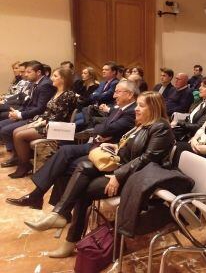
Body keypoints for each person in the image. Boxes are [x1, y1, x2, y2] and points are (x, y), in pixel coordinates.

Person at [23, 91, 175, 258]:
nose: (136, 109)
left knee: (81, 189)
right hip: (125, 168)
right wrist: (114, 147)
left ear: (153, 107)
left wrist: (118, 175)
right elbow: (130, 149)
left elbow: (148, 159)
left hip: (138, 178)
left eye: (141, 105)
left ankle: (67, 236)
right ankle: (59, 214)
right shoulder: (143, 124)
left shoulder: (161, 127)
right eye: (137, 104)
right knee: (83, 165)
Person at [6, 80, 137, 210]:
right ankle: (41, 198)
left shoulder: (131, 112)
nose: (114, 96)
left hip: (107, 151)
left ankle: (52, 205)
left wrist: (102, 129)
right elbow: (102, 126)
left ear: (130, 94)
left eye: (118, 92)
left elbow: (105, 129)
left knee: (65, 164)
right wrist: (102, 129)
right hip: (97, 144)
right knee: (64, 151)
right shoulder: (119, 109)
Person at [8, 67, 77, 178]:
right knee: (15, 131)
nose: (51, 78)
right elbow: (47, 111)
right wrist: (37, 120)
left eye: (55, 76)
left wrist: (41, 123)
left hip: (57, 127)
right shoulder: (57, 92)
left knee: (20, 136)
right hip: (47, 123)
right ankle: (25, 163)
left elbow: (59, 117)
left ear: (63, 79)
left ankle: (24, 166)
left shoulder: (68, 95)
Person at [0, 60, 56, 167]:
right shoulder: (35, 83)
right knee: (2, 125)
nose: (25, 74)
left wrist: (21, 115)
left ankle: (20, 157)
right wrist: (18, 112)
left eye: (28, 72)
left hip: (38, 118)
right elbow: (29, 103)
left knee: (6, 129)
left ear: (38, 72)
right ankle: (19, 155)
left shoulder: (45, 85)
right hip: (30, 113)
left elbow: (40, 108)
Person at [173, 77, 206, 141]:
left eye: (204, 86)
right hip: (186, 132)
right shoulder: (199, 102)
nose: (200, 88)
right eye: (200, 86)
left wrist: (178, 122)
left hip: (195, 137)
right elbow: (189, 118)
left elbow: (198, 126)